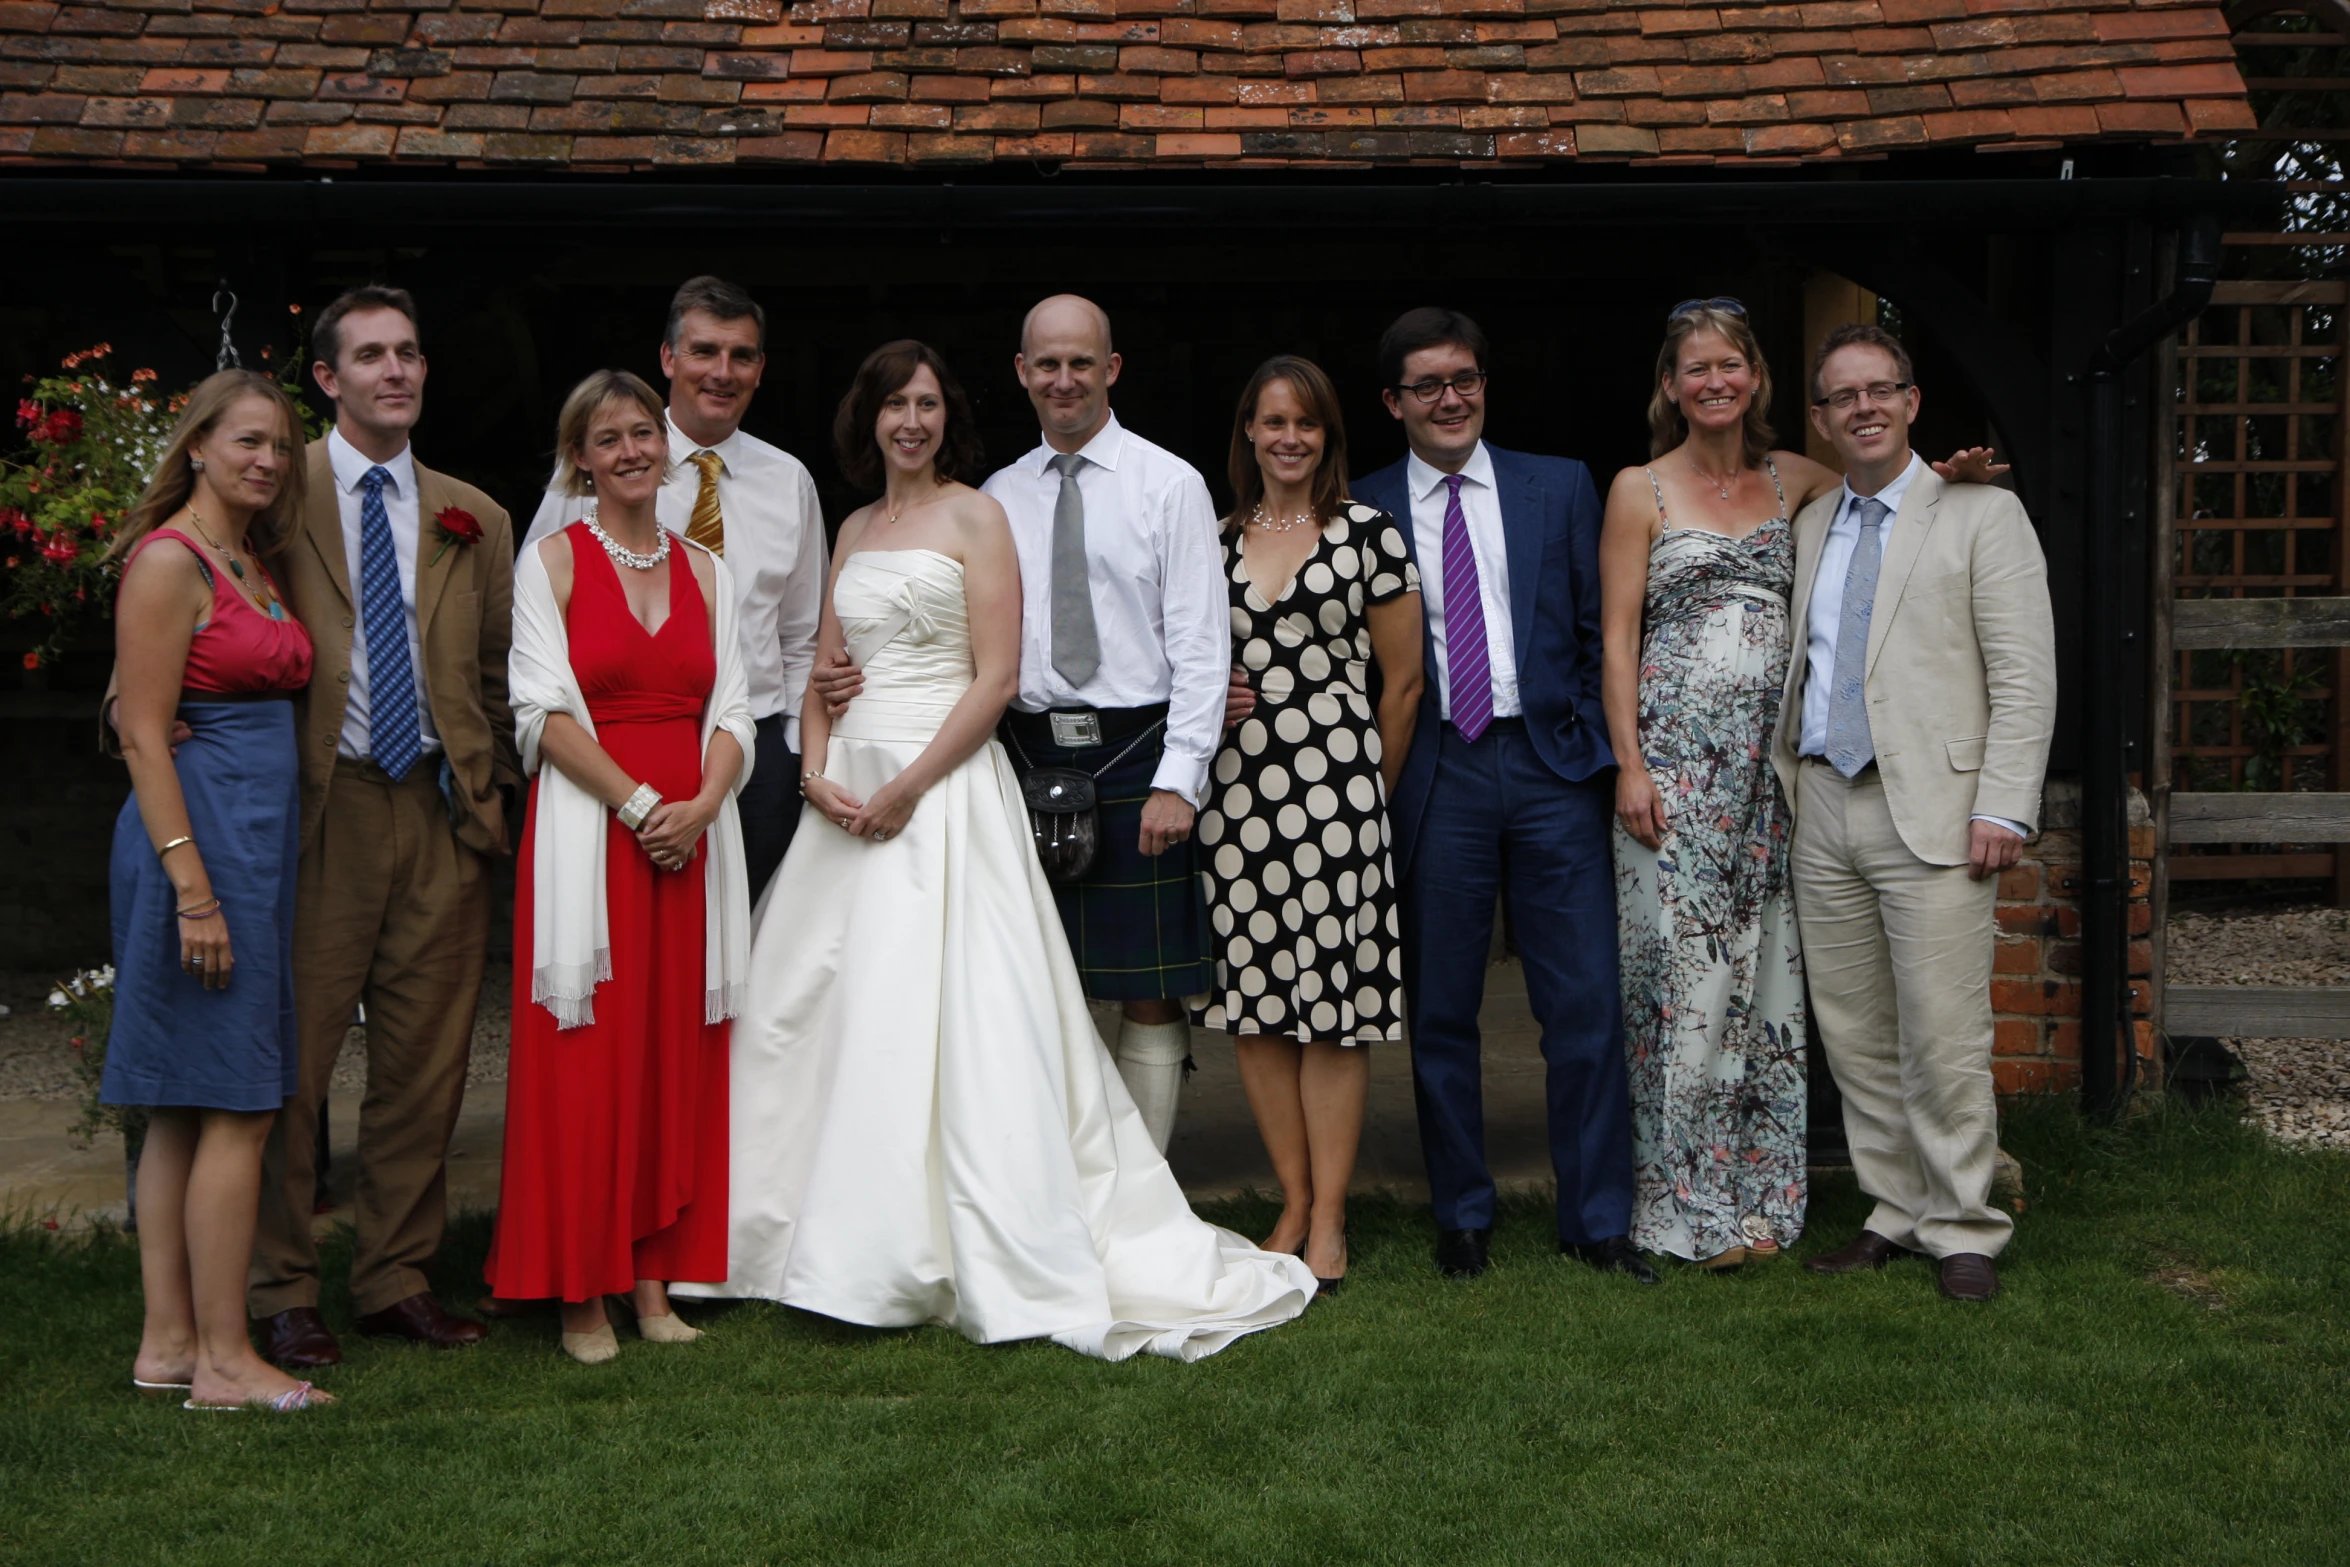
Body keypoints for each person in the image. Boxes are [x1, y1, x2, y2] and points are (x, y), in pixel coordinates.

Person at [676, 341, 1314, 1359]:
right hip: (845, 790)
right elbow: (823, 662)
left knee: (950, 1012)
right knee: (811, 1010)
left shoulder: (981, 515)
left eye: (928, 404)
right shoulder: (850, 526)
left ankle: (929, 1242)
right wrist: (815, 767)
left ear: (950, 418)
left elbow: (995, 676)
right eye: (895, 405)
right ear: (869, 418)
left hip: (940, 784)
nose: (911, 422)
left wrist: (903, 789)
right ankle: (782, 1238)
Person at [1602, 300, 2008, 1272]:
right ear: (1670, 385)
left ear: (1758, 383)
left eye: (1730, 366)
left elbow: (1893, 494)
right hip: (1673, 780)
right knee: (1681, 994)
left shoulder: (1798, 479)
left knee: (1772, 992)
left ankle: (1762, 1208)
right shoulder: (1636, 489)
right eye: (1694, 368)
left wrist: (1952, 478)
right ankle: (1681, 1210)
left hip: (1776, 779)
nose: (1714, 382)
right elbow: (1614, 639)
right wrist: (1627, 763)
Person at [812, 296, 1226, 1155]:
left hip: (1137, 749)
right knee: (1035, 977)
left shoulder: (1170, 483)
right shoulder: (997, 495)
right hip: (1025, 752)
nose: (1064, 379)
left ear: (1111, 369)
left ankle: (1141, 1176)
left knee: (1145, 986)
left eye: (1082, 363)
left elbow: (1199, 644)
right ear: (1022, 374)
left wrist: (1178, 780)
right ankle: (1058, 1167)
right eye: (1048, 364)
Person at [241, 287, 520, 1367]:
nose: (394, 371)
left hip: (442, 812)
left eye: (408, 352)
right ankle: (280, 1285)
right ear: (327, 378)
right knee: (294, 1066)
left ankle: (398, 1277)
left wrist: (486, 792)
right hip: (325, 806)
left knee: (425, 1065)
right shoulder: (277, 488)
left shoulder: (472, 513)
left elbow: (494, 673)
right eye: (369, 356)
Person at [1350, 307, 1650, 1284]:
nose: (1451, 398)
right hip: (1437, 768)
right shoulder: (1363, 509)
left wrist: (1601, 750)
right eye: (1428, 384)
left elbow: (1599, 624)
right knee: (1441, 1008)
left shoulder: (1557, 485)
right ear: (1393, 401)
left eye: (1464, 379)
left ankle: (1596, 1218)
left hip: (1550, 764)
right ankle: (1462, 1214)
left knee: (1584, 1006)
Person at [1772, 323, 2055, 1304]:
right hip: (1824, 802)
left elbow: (2023, 674)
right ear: (1819, 418)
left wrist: (2005, 807)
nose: (1862, 407)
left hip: (1934, 810)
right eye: (1841, 396)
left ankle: (1966, 1224)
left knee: (1941, 1033)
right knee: (1854, 1030)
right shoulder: (1810, 524)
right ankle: (1894, 1210)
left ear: (1911, 401)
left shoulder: (1980, 513)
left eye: (1878, 389)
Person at [487, 370, 755, 1362]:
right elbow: (539, 714)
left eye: (645, 432)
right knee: (589, 1061)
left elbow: (734, 710)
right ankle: (579, 1294)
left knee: (671, 1063)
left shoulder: (709, 570)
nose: (632, 450)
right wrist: (642, 806)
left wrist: (699, 805)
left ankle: (651, 1285)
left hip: (690, 841)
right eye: (609, 438)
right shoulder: (550, 562)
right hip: (595, 842)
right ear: (581, 459)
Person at [105, 369, 331, 1411]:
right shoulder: (168, 561)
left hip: (251, 845)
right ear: (195, 443)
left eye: (280, 447)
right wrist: (194, 889)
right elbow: (143, 729)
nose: (266, 461)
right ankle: (228, 1362)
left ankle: (168, 1345)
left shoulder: (251, 558)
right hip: (199, 853)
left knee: (188, 1110)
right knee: (236, 1104)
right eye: (246, 441)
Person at [1202, 354, 1422, 1293]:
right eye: (1272, 421)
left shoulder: (1369, 534)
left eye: (1307, 424)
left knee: (1331, 1014)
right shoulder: (1213, 541)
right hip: (1240, 797)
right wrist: (1209, 701)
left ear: (1329, 437)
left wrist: (1367, 790)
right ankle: (1290, 1198)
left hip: (1341, 793)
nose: (1288, 438)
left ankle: (1331, 1212)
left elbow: (1404, 682)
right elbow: (1178, 660)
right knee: (1257, 1007)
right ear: (1248, 432)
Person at [522, 276, 828, 905]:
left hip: (754, 756)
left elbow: (800, 636)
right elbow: (539, 616)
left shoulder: (790, 480)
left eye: (741, 356)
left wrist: (791, 755)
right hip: (624, 750)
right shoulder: (606, 467)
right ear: (667, 358)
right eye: (704, 351)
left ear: (761, 369)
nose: (723, 371)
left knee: (743, 952)